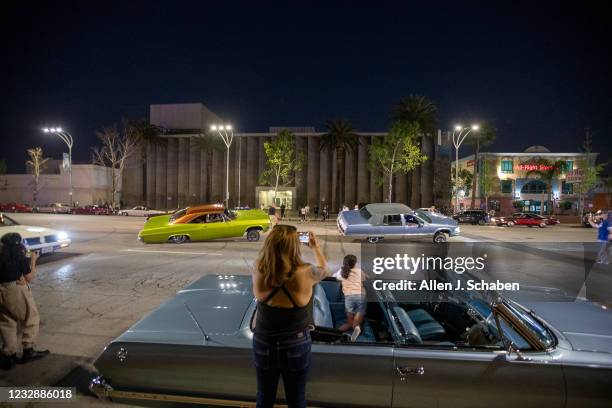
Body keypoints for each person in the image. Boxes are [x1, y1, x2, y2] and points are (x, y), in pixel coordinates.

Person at [251, 225, 329, 408]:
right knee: (296, 398)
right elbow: (324, 270)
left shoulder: (258, 268)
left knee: (264, 395)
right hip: (296, 341)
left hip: (264, 339)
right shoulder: (307, 272)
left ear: (270, 244)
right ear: (295, 246)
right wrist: (316, 247)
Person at [0, 233, 49, 370]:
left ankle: (9, 355)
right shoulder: (18, 258)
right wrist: (33, 260)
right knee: (31, 319)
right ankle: (28, 350)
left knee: (6, 322)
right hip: (14, 291)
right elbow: (29, 277)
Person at [333, 254, 366, 342]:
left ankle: (334, 332)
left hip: (349, 297)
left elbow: (335, 277)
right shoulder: (359, 271)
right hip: (360, 297)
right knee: (357, 321)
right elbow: (365, 279)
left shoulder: (341, 272)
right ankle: (357, 328)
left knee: (349, 322)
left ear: (344, 263)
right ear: (355, 263)